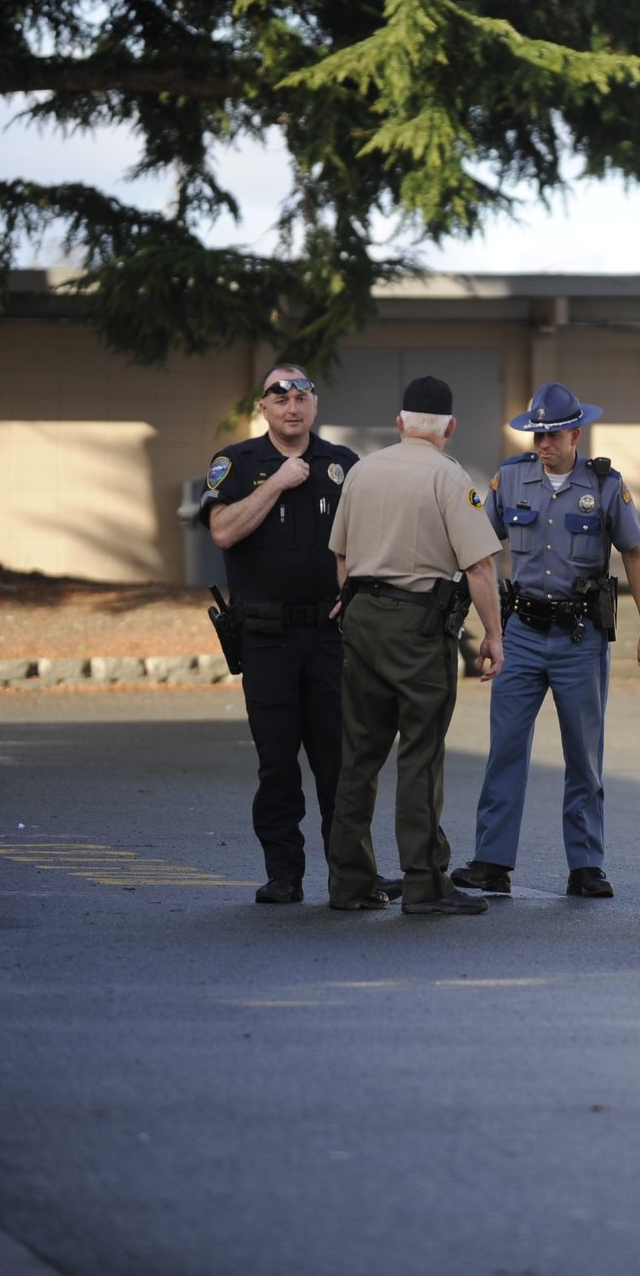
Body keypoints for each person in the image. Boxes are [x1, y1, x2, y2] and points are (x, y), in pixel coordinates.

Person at [451, 383, 640, 900]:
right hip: (520, 634)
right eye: (536, 435)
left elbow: (635, 554)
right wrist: (483, 629)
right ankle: (492, 861)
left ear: (575, 433)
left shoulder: (606, 484)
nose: (542, 445)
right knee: (505, 750)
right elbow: (478, 551)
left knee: (583, 754)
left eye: (551, 436)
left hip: (579, 637)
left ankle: (586, 866)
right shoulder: (510, 479)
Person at [324, 376, 505, 916]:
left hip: (361, 619)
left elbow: (340, 556)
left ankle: (350, 883)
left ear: (400, 423)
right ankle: (425, 883)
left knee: (358, 755)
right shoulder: (450, 478)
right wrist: (492, 637)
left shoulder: (361, 471)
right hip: (419, 627)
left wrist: (354, 605)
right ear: (449, 428)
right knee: (420, 754)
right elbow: (479, 565)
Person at [200, 364, 370, 905]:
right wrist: (277, 481)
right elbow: (223, 531)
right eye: (280, 397)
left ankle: (349, 876)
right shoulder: (237, 463)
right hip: (267, 637)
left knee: (337, 761)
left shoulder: (345, 465)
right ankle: (284, 874)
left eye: (302, 396)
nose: (292, 406)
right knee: (277, 761)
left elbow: (368, 541)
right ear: (265, 408)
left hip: (329, 632)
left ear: (315, 406)